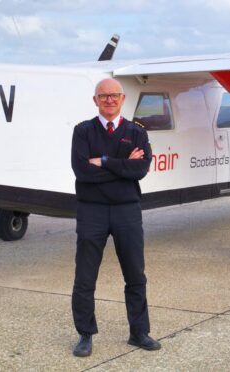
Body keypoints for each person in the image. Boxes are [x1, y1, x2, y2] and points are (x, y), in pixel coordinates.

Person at [70, 78, 160, 357]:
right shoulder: (83, 131)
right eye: (103, 96)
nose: (109, 100)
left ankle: (139, 332)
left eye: (114, 96)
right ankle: (85, 334)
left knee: (135, 274)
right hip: (91, 211)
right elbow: (83, 172)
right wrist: (124, 164)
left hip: (126, 211)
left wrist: (105, 161)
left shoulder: (137, 132)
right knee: (85, 276)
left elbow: (141, 169)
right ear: (95, 100)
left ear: (122, 99)